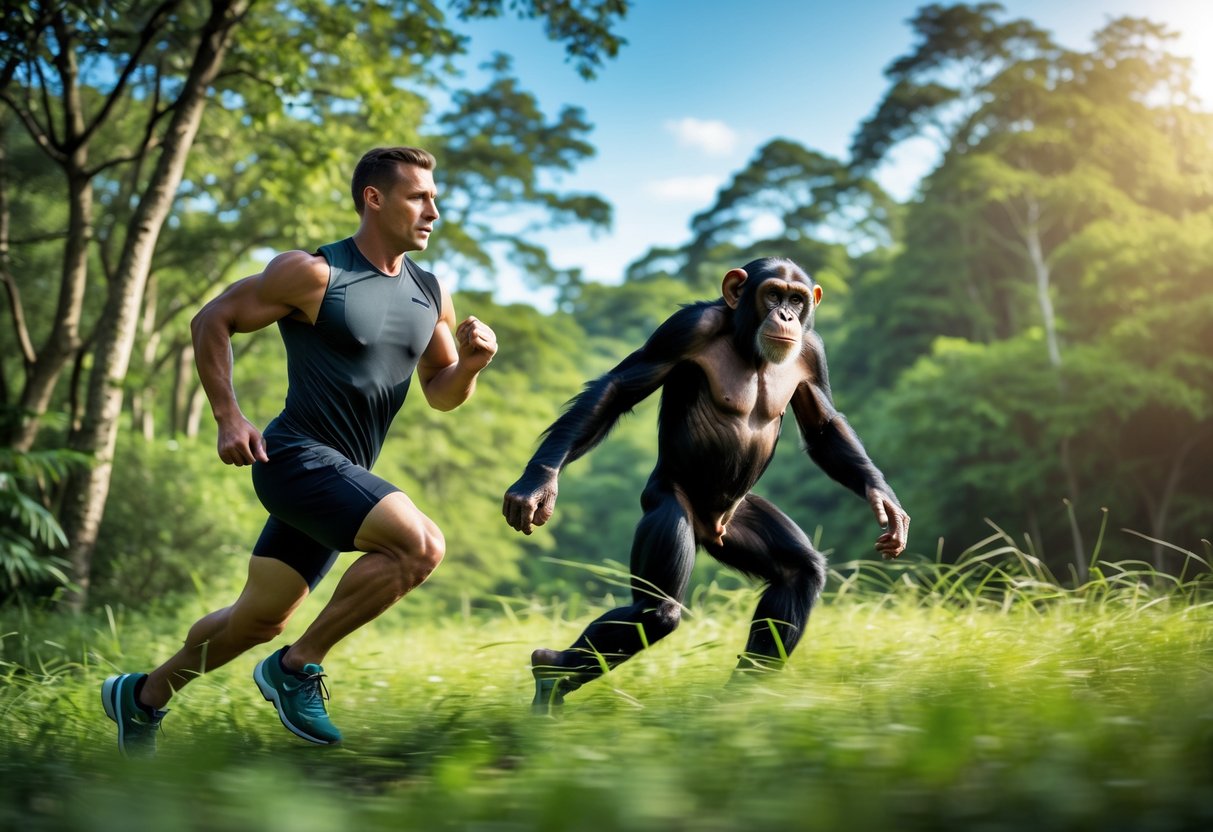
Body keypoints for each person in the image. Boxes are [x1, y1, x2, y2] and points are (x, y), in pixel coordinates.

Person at [102, 146, 497, 755]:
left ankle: (142, 696)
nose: (434, 211)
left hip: (344, 474)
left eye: (434, 198)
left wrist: (471, 364)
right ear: (375, 198)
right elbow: (213, 319)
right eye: (420, 197)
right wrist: (228, 416)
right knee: (419, 545)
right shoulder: (314, 274)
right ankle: (296, 668)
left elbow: (442, 395)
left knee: (258, 620)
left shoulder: (430, 292)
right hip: (294, 457)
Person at [503, 257, 908, 711]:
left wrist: (875, 485)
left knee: (803, 572)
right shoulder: (701, 330)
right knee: (658, 614)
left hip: (734, 506)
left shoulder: (805, 355)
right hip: (675, 495)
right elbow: (616, 390)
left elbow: (824, 429)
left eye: (796, 302)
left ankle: (741, 703)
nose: (785, 315)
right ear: (737, 292)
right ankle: (560, 669)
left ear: (812, 304)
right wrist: (545, 468)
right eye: (772, 297)